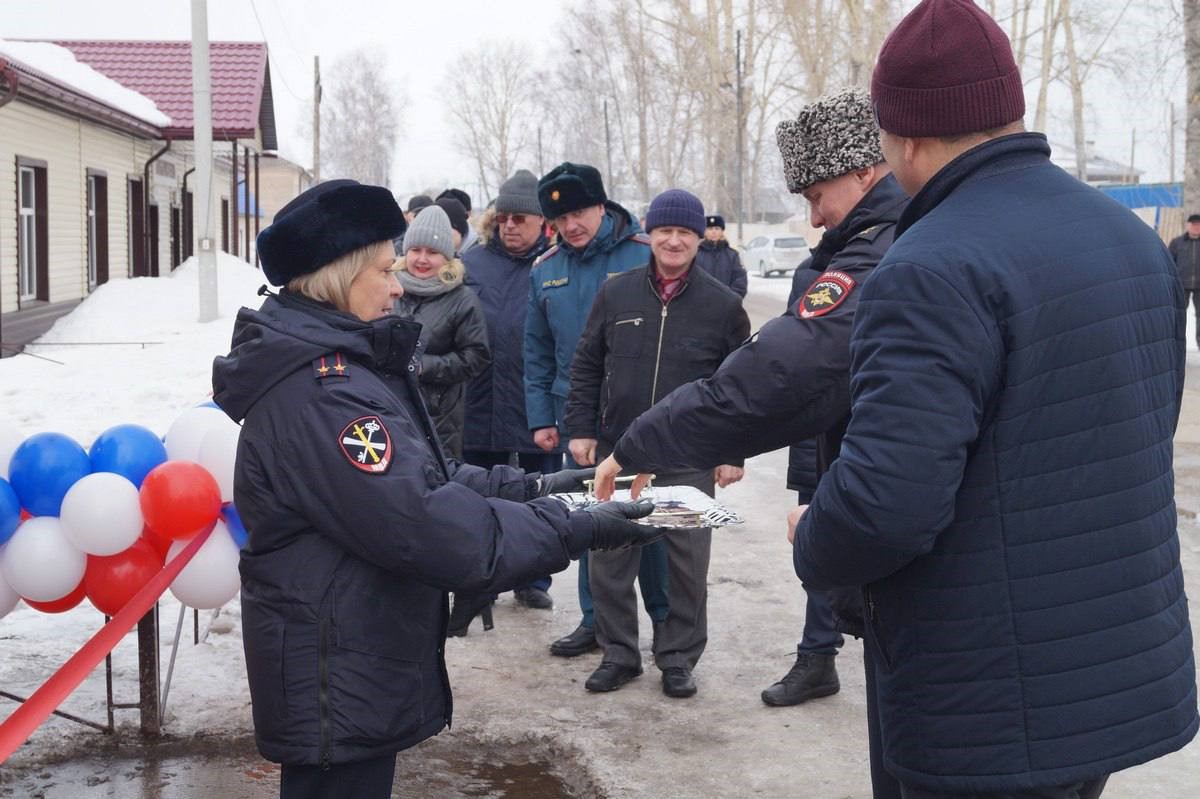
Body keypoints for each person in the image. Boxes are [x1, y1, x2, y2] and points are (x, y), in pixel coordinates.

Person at [791, 1, 1197, 796]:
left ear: (906, 137)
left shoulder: (926, 266)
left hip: (986, 697)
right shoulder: (1131, 242)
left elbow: (886, 504)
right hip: (1108, 668)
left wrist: (814, 536)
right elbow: (1139, 427)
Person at [211, 178, 662, 799]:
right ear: (337, 278)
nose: (397, 285)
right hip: (335, 664)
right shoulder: (324, 396)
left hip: (345, 652)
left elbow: (425, 474)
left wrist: (536, 485)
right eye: (381, 269)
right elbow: (427, 524)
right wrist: (574, 522)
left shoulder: (338, 371)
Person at [589, 87, 905, 730]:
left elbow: (768, 377)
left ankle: (686, 655)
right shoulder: (873, 241)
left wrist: (647, 438)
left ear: (864, 171)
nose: (815, 217)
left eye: (817, 195)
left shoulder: (876, 252)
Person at [567, 189, 749, 697]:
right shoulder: (616, 293)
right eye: (665, 231)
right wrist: (581, 429)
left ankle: (677, 658)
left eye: (684, 233)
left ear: (697, 238)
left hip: (688, 457)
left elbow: (740, 389)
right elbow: (585, 365)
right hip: (618, 453)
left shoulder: (724, 306)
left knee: (687, 566)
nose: (673, 241)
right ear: (650, 234)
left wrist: (732, 453)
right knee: (609, 560)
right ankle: (619, 654)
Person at [525, 161, 669, 657]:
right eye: (561, 219)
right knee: (591, 519)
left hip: (645, 412)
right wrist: (542, 417)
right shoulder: (546, 270)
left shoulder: (645, 254)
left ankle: (667, 632)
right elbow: (537, 349)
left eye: (582, 211)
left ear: (603, 206)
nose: (572, 225)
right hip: (580, 420)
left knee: (654, 522)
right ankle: (595, 622)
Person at [460, 169, 560, 619]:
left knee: (538, 494)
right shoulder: (472, 263)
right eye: (503, 218)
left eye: (521, 218)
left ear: (543, 222)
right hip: (478, 402)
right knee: (476, 497)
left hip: (534, 403)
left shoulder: (556, 264)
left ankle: (532, 579)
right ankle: (479, 578)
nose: (510, 226)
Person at [392, 204, 490, 460]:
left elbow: (476, 357)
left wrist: (425, 366)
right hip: (391, 408)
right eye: (416, 250)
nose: (422, 259)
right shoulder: (390, 290)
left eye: (432, 252)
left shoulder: (462, 298)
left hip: (440, 418)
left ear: (447, 257)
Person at [692, 214, 747, 297]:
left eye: (717, 228)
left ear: (722, 231)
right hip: (700, 304)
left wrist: (732, 300)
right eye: (710, 229)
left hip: (725, 305)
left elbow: (740, 280)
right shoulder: (695, 254)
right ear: (704, 232)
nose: (714, 232)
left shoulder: (732, 255)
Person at [1168, 212, 1200, 350]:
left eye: (1198, 225)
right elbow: (1169, 263)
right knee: (1178, 315)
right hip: (1181, 285)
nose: (1196, 227)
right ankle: (1176, 346)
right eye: (1193, 225)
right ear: (1188, 225)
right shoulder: (1177, 242)